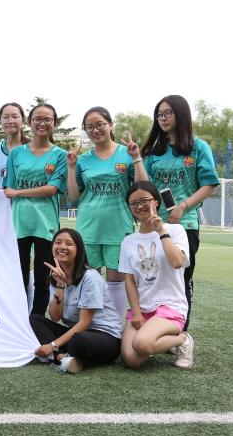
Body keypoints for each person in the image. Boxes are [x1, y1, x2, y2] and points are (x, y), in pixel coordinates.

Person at [137, 95, 220, 330]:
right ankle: (155, 331)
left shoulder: (198, 147)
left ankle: (180, 334)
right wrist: (136, 159)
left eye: (167, 113)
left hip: (186, 225)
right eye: (159, 115)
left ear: (181, 114)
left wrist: (183, 206)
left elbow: (209, 184)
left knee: (182, 277)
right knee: (152, 278)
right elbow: (146, 185)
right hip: (154, 225)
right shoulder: (155, 150)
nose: (162, 119)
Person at [66, 106, 145, 318]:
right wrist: (71, 168)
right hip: (88, 228)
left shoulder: (126, 154)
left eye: (99, 124)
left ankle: (115, 328)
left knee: (116, 281)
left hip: (118, 227)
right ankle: (90, 325)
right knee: (89, 279)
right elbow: (73, 196)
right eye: (89, 127)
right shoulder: (83, 160)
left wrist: (137, 158)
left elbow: (142, 188)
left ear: (111, 125)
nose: (95, 130)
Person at [118, 182, 194, 370]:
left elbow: (177, 262)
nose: (139, 206)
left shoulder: (175, 230)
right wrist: (136, 312)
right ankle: (161, 340)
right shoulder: (128, 241)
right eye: (133, 203)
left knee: (142, 344)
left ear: (156, 202)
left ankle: (183, 339)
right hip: (143, 308)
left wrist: (161, 230)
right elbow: (129, 280)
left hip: (170, 306)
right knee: (131, 359)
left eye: (144, 201)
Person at [1, 103, 68, 316]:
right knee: (17, 277)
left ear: (54, 123)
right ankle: (18, 320)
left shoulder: (60, 155)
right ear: (29, 122)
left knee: (42, 278)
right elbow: (8, 188)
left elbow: (52, 188)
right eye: (37, 119)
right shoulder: (16, 154)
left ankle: (37, 321)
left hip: (45, 224)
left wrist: (19, 193)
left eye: (47, 119)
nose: (42, 123)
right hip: (19, 223)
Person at [30, 228, 122, 373]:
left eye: (69, 243)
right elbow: (55, 316)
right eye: (58, 242)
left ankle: (56, 355)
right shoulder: (56, 276)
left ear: (79, 250)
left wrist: (53, 345)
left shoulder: (90, 277)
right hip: (76, 332)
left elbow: (85, 323)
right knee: (35, 319)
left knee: (78, 341)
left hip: (105, 336)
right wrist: (60, 285)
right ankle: (62, 358)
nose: (62, 247)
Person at [0, 102, 29, 189]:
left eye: (15, 117)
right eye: (6, 117)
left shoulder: (33, 148)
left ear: (23, 120)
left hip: (25, 197)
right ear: (0, 121)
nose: (10, 121)